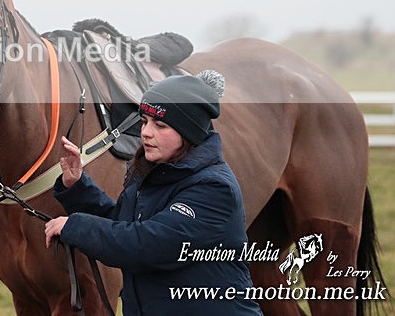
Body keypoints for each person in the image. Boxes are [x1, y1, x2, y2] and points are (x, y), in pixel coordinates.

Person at [44, 71, 262, 315]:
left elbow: (146, 245)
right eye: (145, 121)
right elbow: (121, 223)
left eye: (160, 125)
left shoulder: (213, 188)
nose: (146, 132)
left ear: (188, 133)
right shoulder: (154, 173)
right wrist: (78, 188)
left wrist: (74, 227)